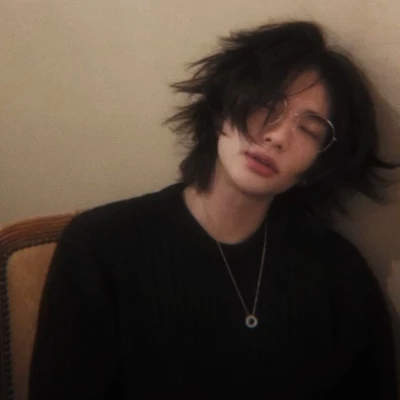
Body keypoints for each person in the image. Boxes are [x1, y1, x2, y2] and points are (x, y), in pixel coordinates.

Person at [29, 21, 398, 399]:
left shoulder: (339, 275)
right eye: (268, 104)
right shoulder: (100, 247)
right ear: (223, 108)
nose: (277, 136)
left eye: (310, 130)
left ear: (316, 167)